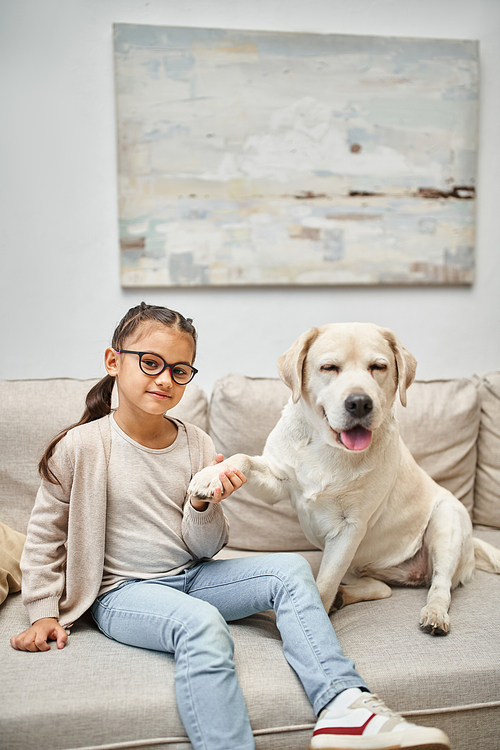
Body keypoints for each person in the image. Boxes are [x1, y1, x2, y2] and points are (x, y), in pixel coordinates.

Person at [11, 302, 450, 750]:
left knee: (293, 570)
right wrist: (43, 610)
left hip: (193, 575)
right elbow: (45, 537)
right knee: (200, 624)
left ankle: (344, 706)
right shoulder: (80, 447)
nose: (164, 379)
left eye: (179, 370)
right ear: (112, 361)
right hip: (122, 591)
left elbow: (207, 547)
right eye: (150, 363)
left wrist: (202, 505)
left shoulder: (196, 442)